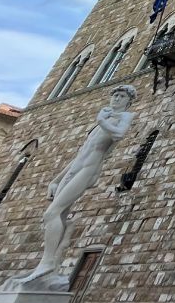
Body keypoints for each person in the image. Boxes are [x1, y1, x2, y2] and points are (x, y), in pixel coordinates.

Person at [22, 84, 136, 282]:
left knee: (51, 213)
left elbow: (118, 134)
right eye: (115, 95)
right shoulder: (102, 120)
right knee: (60, 216)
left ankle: (47, 263)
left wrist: (101, 121)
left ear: (129, 101)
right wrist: (56, 179)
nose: (116, 99)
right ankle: (51, 266)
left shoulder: (125, 116)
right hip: (74, 169)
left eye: (121, 96)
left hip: (88, 169)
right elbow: (81, 153)